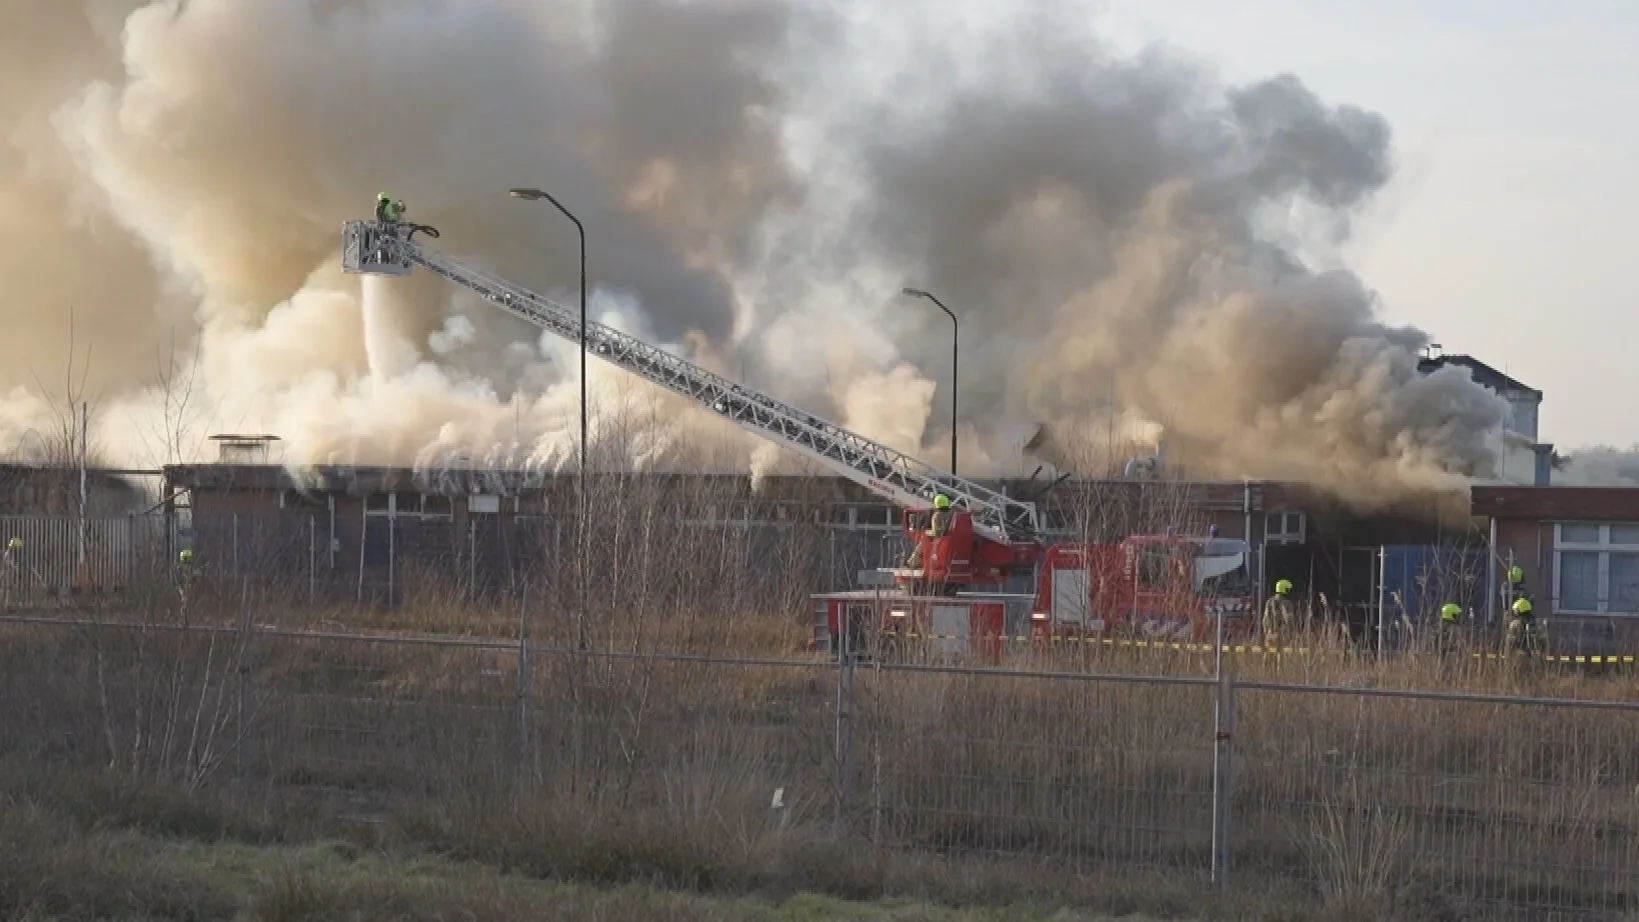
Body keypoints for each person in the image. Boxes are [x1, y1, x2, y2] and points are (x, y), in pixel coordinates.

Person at [903, 494, 954, 570]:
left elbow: (937, 533)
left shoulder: (937, 516)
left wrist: (926, 532)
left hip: (940, 541)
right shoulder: (952, 514)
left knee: (923, 541)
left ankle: (912, 563)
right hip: (951, 539)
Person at [1261, 578, 1297, 650]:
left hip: (1269, 634)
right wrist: (1291, 634)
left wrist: (1267, 632)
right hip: (1282, 635)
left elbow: (1265, 619)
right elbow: (1289, 621)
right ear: (1285, 589)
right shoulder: (1287, 603)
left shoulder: (1269, 601)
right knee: (1280, 657)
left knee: (1268, 656)